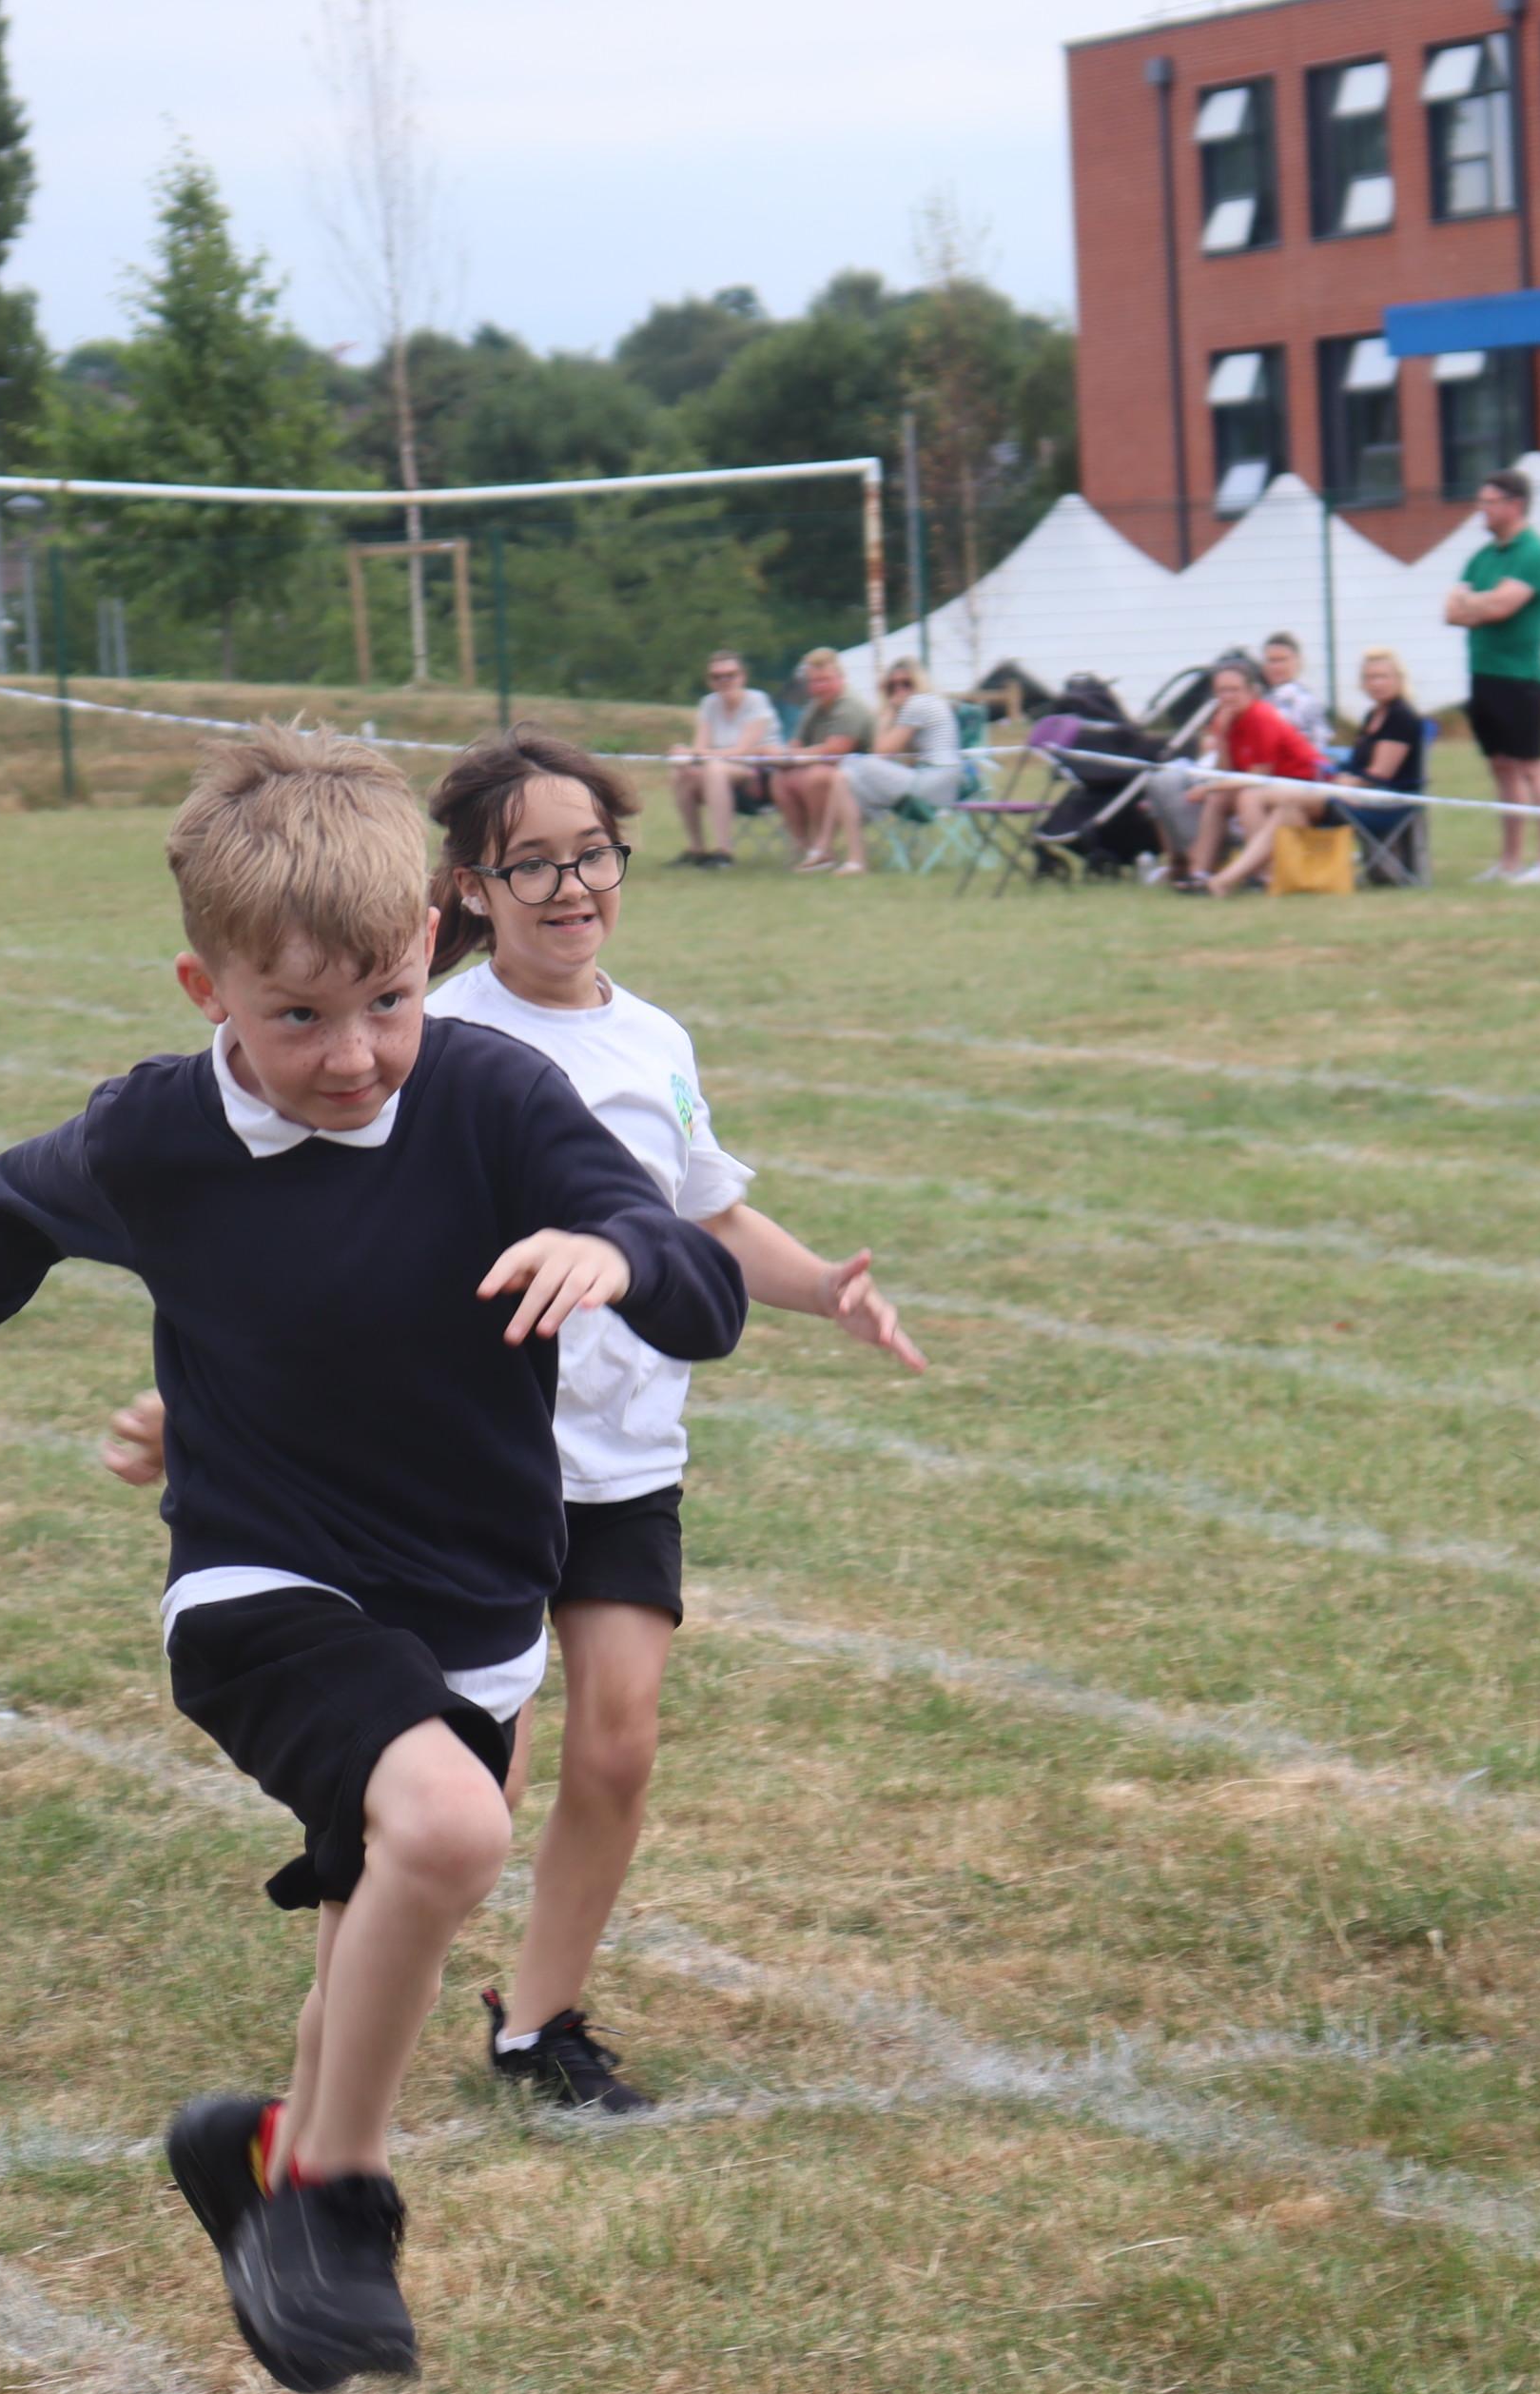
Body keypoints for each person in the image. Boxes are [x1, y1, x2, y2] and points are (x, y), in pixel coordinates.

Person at [0, 726, 748, 2394]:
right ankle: (332, 2195)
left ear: (430, 949)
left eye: (387, 1001)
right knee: (451, 1828)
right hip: (261, 1585)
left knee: (367, 1952)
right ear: (209, 989)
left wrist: (614, 1250)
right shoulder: (156, 1136)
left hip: (471, 1604)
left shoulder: (490, 1096)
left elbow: (702, 1288)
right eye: (297, 1017)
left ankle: (256, 2151)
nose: (353, 1055)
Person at [104, 734, 926, 2109]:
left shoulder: (653, 1039)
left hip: (620, 1462)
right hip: (440, 1475)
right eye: (529, 863)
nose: (569, 885)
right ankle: (334, 2068)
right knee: (444, 1791)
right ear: (466, 893)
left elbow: (702, 1215)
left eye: (591, 854)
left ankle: (538, 2026)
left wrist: (819, 1289)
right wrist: (209, 1403)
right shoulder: (415, 1036)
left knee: (620, 1740)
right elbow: (306, 1262)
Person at [1445, 468, 1540, 883]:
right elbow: (1451, 611)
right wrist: (1481, 603)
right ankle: (1510, 862)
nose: (1481, 508)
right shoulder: (1482, 557)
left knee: (1533, 766)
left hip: (1521, 677)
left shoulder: (1534, 553)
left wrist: (1475, 603)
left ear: (1515, 505)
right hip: (1484, 675)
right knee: (1502, 767)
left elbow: (1501, 607)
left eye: (1489, 502)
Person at [785, 657, 968, 876]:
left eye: (906, 683)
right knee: (843, 778)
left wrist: (888, 710)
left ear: (918, 682)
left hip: (933, 785)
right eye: (892, 686)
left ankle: (838, 854)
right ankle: (835, 853)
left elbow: (880, 751)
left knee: (849, 765)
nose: (899, 689)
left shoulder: (917, 704)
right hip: (943, 785)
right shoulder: (929, 703)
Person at [1184, 651, 1331, 894]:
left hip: (1311, 786)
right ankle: (1199, 872)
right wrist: (1222, 737)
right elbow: (1226, 772)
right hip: (1276, 789)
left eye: (1234, 690)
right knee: (1218, 798)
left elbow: (1258, 776)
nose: (1227, 696)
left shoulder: (1261, 716)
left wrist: (1207, 786)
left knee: (1248, 796)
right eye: (1222, 691)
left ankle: (1260, 874)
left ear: (1251, 691)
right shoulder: (1227, 719)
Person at [762, 650, 882, 874]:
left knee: (815, 776)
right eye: (814, 681)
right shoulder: (814, 707)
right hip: (831, 774)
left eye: (825, 680)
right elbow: (796, 744)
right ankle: (804, 846)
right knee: (780, 778)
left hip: (861, 782)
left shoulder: (850, 706)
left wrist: (793, 756)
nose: (820, 686)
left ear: (840, 678)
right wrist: (782, 755)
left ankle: (823, 848)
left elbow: (836, 751)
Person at [667, 651, 782, 868]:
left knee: (714, 769)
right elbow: (700, 746)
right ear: (710, 680)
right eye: (717, 677)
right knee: (682, 772)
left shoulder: (757, 701)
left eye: (730, 675)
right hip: (721, 770)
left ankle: (724, 851)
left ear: (742, 676)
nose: (724, 681)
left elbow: (743, 751)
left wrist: (696, 754)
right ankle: (697, 849)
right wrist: (685, 753)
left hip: (759, 776)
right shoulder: (709, 704)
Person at [1330, 647, 1432, 878]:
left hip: (1389, 802)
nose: (1376, 683)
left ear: (1398, 679)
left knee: (1303, 801)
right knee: (1291, 803)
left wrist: (1345, 784)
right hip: (1362, 794)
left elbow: (1380, 774)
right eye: (1370, 678)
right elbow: (1356, 764)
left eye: (1382, 676)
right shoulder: (1372, 715)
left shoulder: (1401, 716)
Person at [1258, 630, 1332, 744]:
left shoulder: (1307, 703)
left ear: (1297, 661)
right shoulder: (1258, 698)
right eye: (1271, 661)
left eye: (1282, 660)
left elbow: (1316, 745)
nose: (1276, 667)